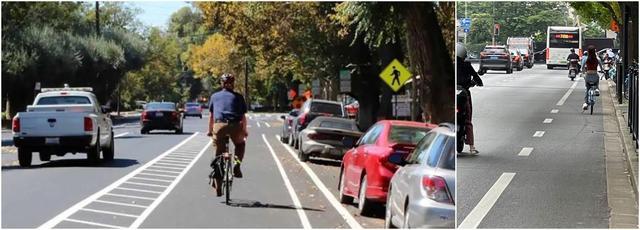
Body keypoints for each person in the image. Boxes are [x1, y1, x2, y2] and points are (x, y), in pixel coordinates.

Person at [207, 73, 248, 178]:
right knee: (240, 145)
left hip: (219, 125)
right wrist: (244, 130)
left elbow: (211, 116)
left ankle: (218, 165)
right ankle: (237, 165)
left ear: (222, 84)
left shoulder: (214, 96)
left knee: (218, 150)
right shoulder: (239, 97)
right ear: (233, 84)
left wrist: (210, 130)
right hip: (235, 125)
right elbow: (243, 117)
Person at [456, 43, 483, 155]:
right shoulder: (466, 65)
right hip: (463, 94)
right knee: (467, 119)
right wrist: (477, 82)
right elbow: (477, 78)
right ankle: (471, 147)